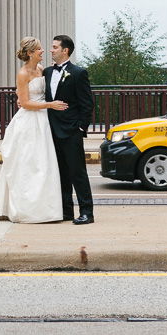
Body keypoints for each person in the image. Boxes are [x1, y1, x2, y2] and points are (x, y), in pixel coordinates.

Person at [0, 37, 67, 223]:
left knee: (44, 165)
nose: (42, 51)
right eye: (39, 49)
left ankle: (45, 209)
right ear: (30, 53)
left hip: (43, 120)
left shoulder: (40, 70)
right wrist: (50, 105)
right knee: (27, 165)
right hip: (30, 122)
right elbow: (24, 103)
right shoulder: (23, 73)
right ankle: (26, 209)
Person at [44, 35, 95, 225]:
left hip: (71, 131)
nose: (51, 50)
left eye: (55, 47)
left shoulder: (79, 73)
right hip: (51, 131)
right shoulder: (47, 72)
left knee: (77, 172)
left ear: (65, 50)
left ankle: (87, 212)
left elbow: (87, 103)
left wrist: (80, 127)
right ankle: (66, 211)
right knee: (60, 173)